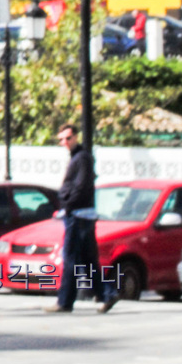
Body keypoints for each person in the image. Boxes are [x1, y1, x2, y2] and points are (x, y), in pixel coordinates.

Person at [51, 122, 113, 313]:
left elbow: (81, 186)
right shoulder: (78, 158)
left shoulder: (82, 158)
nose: (65, 142)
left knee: (70, 258)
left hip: (78, 216)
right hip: (81, 215)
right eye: (61, 139)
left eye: (68, 138)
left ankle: (65, 302)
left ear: (76, 137)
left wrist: (67, 204)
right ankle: (107, 294)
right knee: (87, 260)